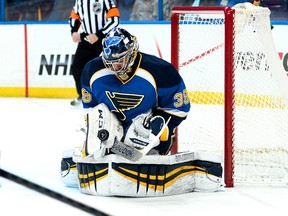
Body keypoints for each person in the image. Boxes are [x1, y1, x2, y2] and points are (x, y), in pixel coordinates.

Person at [80, 27, 191, 156]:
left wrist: (159, 127)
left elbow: (179, 109)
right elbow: (90, 109)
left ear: (132, 53)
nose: (115, 67)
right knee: (98, 123)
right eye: (110, 62)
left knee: (146, 134)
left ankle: (148, 154)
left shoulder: (161, 71)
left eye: (120, 60)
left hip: (143, 131)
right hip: (114, 131)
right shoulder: (91, 70)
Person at [69, 0, 120, 106]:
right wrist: (74, 31)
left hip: (104, 40)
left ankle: (110, 98)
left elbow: (114, 19)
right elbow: (75, 15)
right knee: (77, 68)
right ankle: (84, 96)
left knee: (107, 69)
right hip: (87, 39)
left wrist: (99, 34)